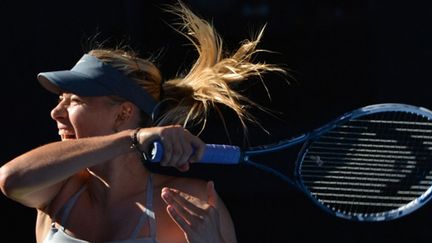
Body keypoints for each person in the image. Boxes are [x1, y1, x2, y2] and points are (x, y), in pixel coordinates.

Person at [0, 1, 285, 243]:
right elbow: (10, 179)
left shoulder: (192, 200)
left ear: (123, 113)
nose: (56, 112)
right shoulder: (57, 188)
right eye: (59, 99)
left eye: (73, 100)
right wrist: (133, 139)